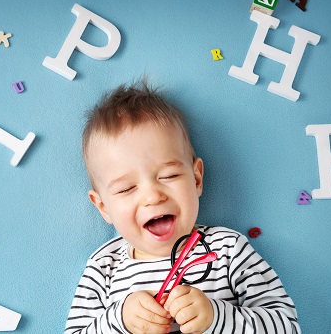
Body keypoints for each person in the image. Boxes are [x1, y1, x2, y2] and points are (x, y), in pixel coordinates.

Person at [65, 80, 300, 334]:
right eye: (126, 189)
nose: (153, 197)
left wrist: (216, 317)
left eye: (168, 176)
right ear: (103, 207)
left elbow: (286, 327)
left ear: (196, 178)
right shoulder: (103, 267)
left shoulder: (228, 250)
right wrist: (120, 320)